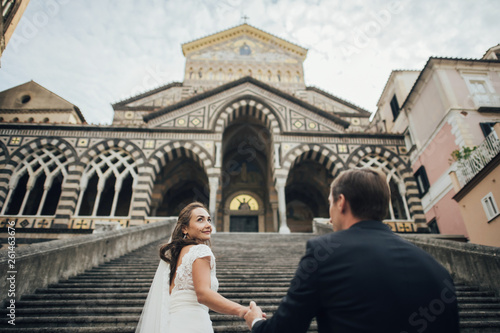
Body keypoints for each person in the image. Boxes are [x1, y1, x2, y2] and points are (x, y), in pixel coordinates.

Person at [244, 167, 459, 333]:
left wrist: (255, 321)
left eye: (330, 203)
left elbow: (285, 329)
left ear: (341, 202)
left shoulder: (324, 253)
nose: (329, 216)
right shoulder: (437, 269)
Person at [136, 202, 250, 333]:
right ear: (184, 228)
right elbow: (203, 294)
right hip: (193, 323)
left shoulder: (176, 256)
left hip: (172, 323)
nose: (208, 225)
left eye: (209, 219)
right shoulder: (200, 250)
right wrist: (242, 310)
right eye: (200, 220)